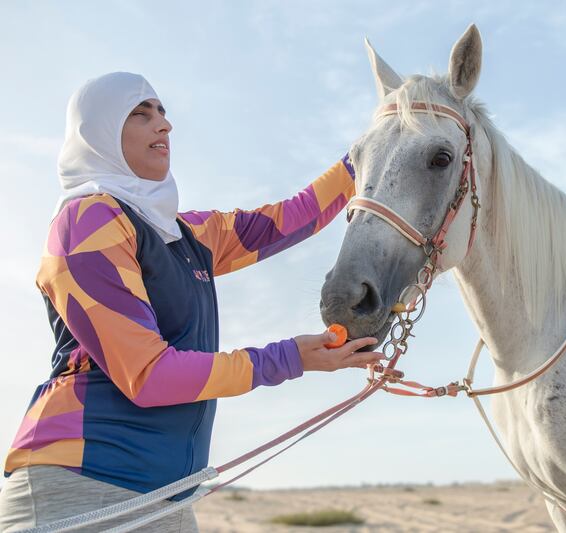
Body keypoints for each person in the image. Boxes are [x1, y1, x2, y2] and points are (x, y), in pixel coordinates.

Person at [0, 72, 380, 532]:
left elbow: (294, 217)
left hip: (167, 496)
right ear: (96, 133)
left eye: (162, 112)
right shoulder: (87, 223)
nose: (164, 125)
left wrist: (379, 142)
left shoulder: (187, 233)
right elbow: (149, 376)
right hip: (80, 487)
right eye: (141, 114)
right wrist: (290, 358)